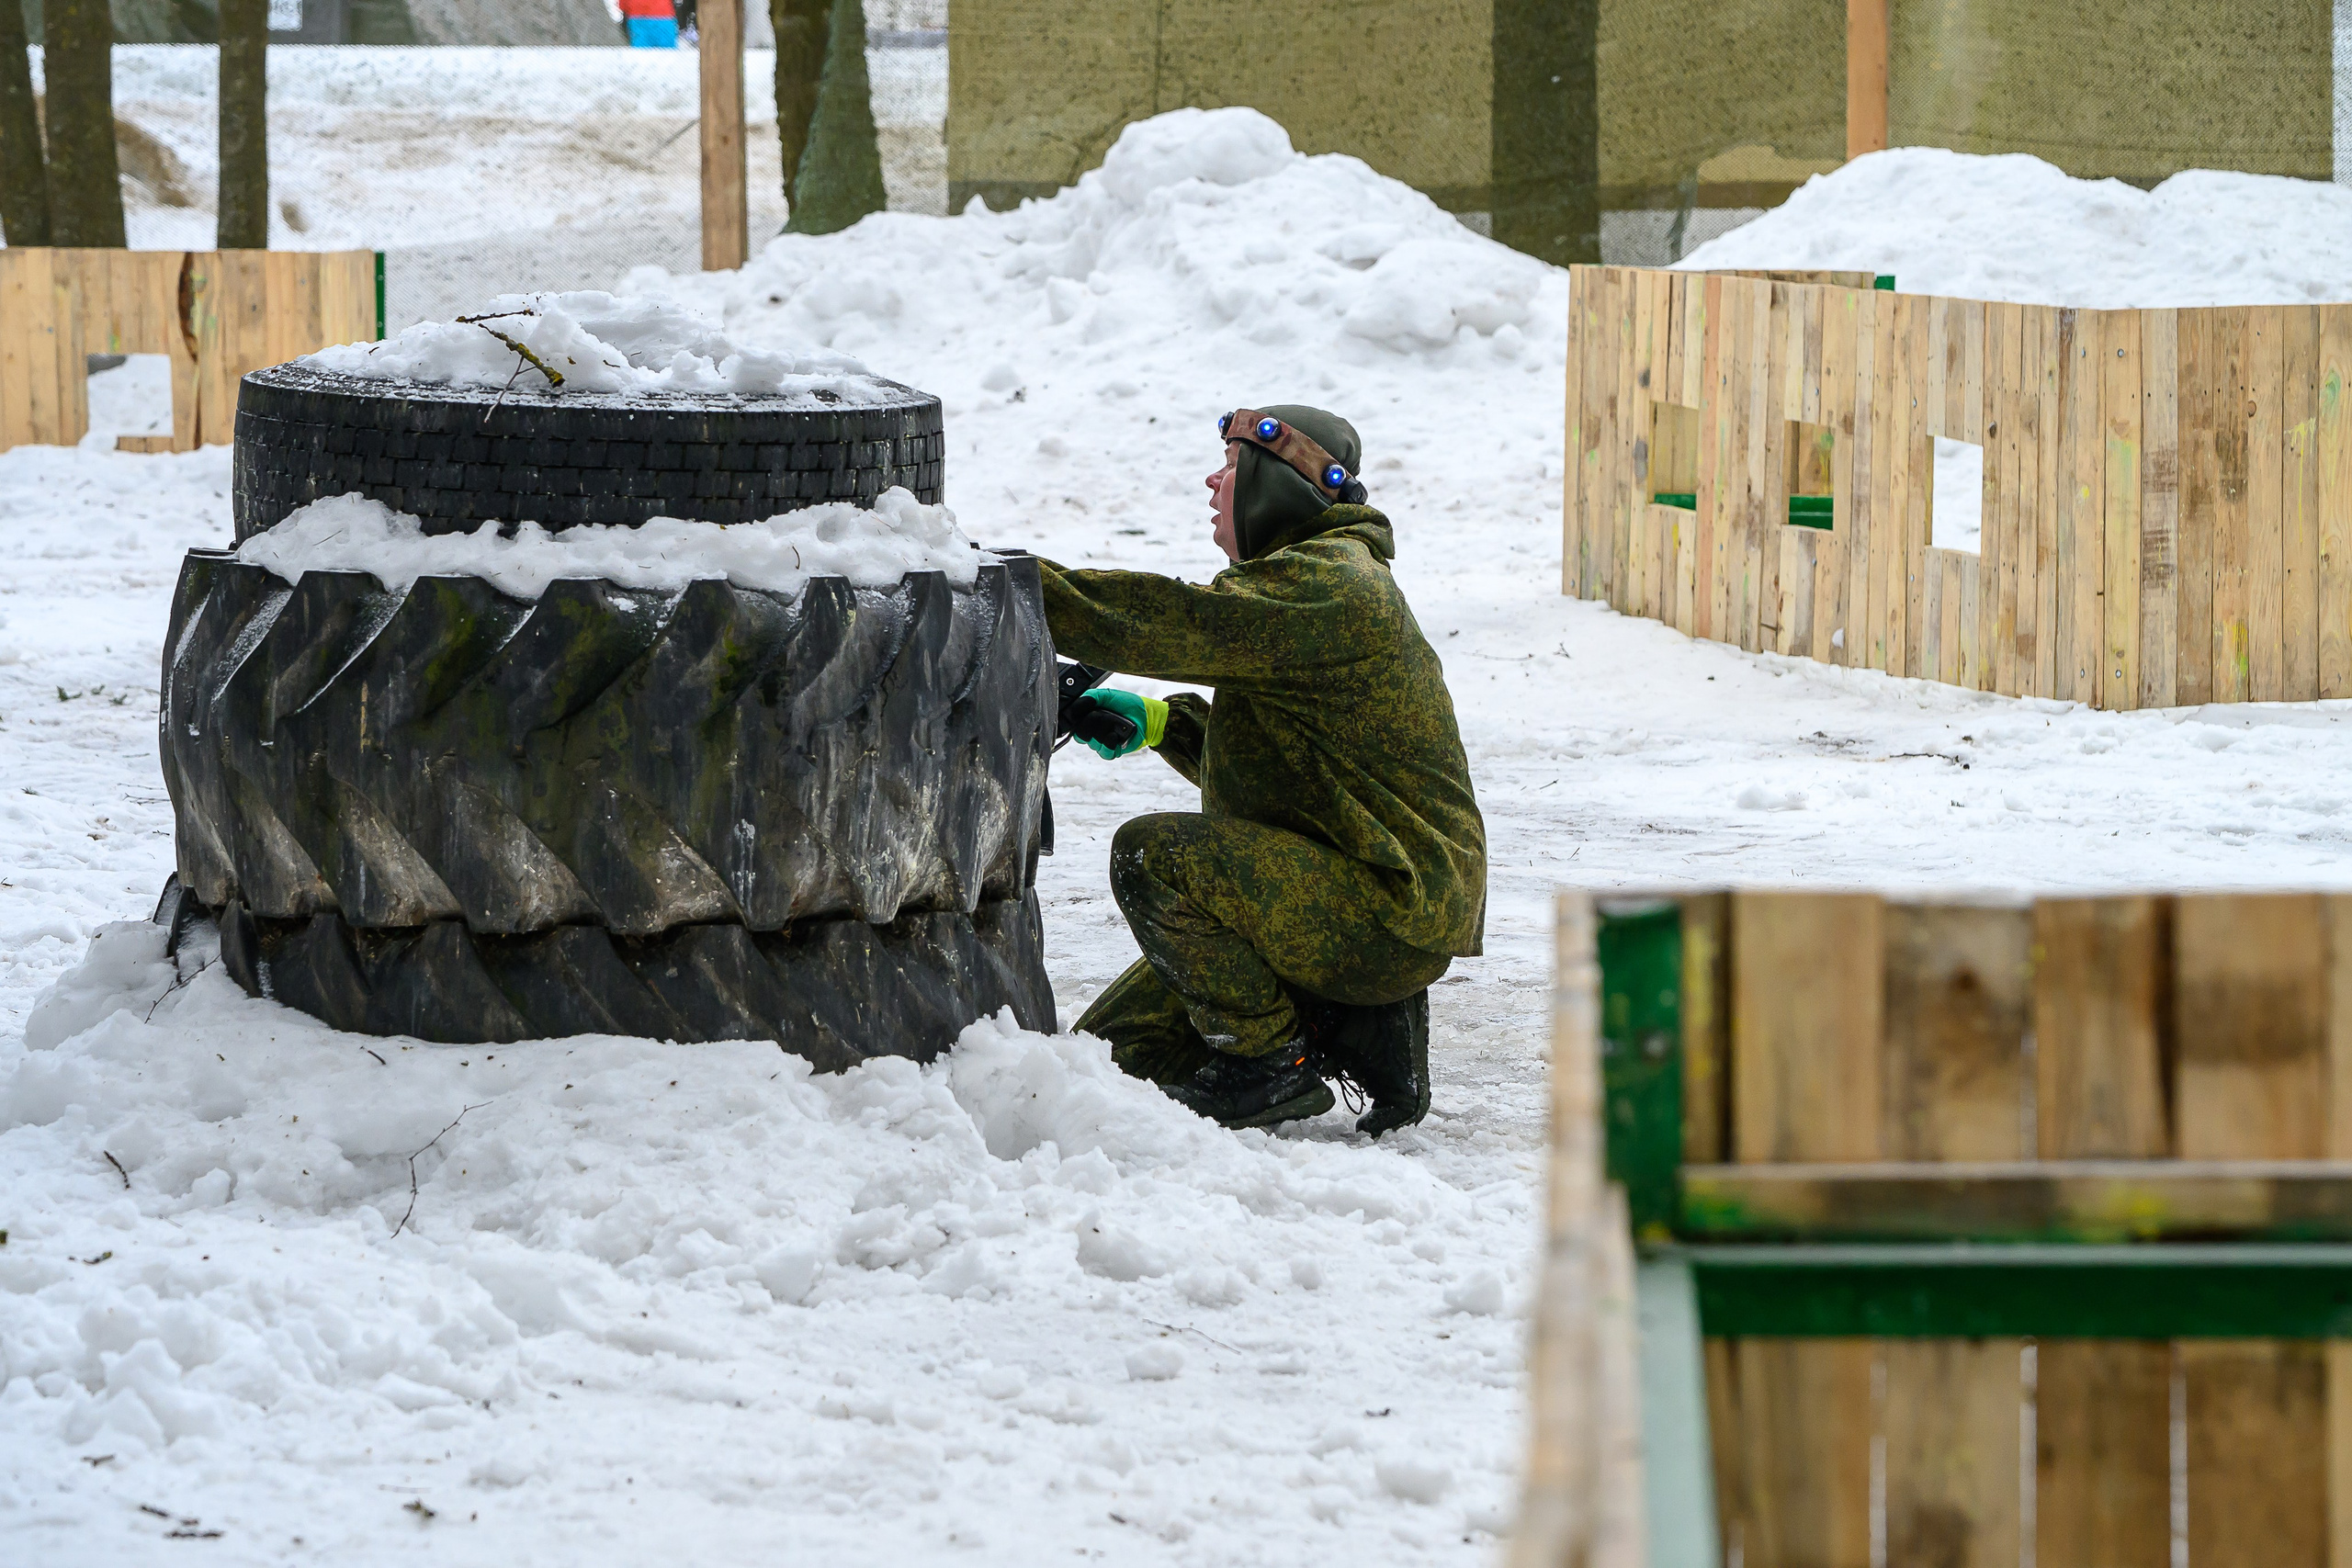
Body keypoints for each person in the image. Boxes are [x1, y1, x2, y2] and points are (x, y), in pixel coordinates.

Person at [1034, 406, 1487, 1134]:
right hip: (1360, 893)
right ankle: (1351, 1022)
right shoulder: (1313, 584)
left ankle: (1272, 1064)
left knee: (1153, 857)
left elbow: (1167, 619)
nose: (1214, 481)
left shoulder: (1332, 586)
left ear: (1283, 486)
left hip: (1382, 911)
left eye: (1234, 466)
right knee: (1108, 1063)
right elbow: (1291, 765)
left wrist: (1004, 584)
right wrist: (1158, 724)